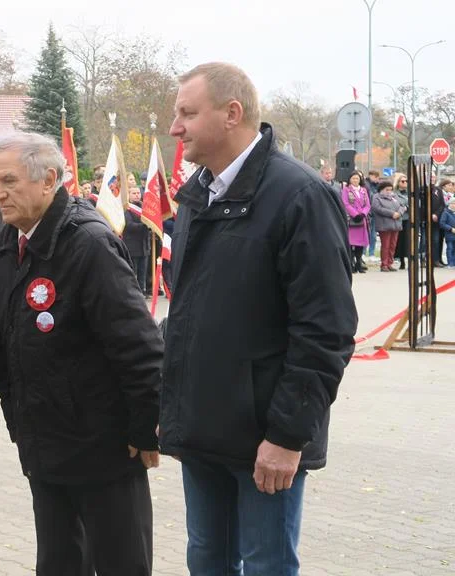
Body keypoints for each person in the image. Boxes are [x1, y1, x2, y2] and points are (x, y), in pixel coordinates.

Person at [163, 62, 357, 576]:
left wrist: (288, 436)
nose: (174, 127)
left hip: (265, 441)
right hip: (203, 430)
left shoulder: (299, 196)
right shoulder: (197, 194)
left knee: (266, 564)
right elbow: (186, 314)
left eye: (186, 113)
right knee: (206, 558)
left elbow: (325, 331)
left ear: (232, 114)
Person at [0, 132, 162, 576]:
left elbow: (138, 345)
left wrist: (144, 429)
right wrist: (18, 419)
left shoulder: (88, 244)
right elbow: (5, 338)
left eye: (9, 181)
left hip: (103, 444)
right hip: (45, 440)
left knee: (121, 563)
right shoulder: (10, 241)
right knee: (59, 563)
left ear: (49, 180)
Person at [371, 180, 404, 272]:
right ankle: (384, 264)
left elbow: (402, 205)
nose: (389, 191)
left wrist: (399, 213)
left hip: (396, 223)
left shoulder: (395, 196)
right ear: (382, 189)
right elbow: (377, 208)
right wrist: (392, 213)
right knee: (385, 245)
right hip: (384, 224)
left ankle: (390, 263)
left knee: (393, 245)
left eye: (390, 189)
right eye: (387, 189)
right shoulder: (377, 197)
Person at [341, 172, 371, 273]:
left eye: (357, 179)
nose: (355, 180)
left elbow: (368, 205)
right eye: (353, 178)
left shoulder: (363, 190)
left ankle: (359, 263)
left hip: (362, 219)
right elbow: (345, 203)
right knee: (350, 243)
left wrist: (363, 214)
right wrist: (355, 214)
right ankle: (351, 264)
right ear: (350, 179)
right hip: (351, 219)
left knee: (360, 244)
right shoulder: (346, 190)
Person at [122, 187, 149, 291]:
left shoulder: (144, 207)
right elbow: (129, 225)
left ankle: (142, 291)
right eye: (134, 193)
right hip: (132, 247)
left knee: (143, 273)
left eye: (138, 193)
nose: (137, 195)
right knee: (133, 273)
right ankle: (133, 293)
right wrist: (145, 225)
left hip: (144, 246)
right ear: (129, 195)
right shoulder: (127, 209)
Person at [394, 172, 411, 270]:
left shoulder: (410, 192)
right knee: (400, 240)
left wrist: (407, 206)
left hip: (408, 218)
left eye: (407, 181)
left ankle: (408, 260)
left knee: (408, 240)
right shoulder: (395, 193)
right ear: (398, 182)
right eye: (403, 181)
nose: (405, 183)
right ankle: (401, 261)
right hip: (399, 218)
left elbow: (416, 202)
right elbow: (396, 204)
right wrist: (404, 207)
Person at [365, 170, 380, 258]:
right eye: (377, 177)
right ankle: (364, 253)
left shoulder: (377, 186)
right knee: (367, 233)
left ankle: (371, 253)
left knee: (373, 235)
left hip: (374, 213)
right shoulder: (366, 185)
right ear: (372, 176)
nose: (378, 179)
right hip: (368, 212)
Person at [441, 200, 455, 268]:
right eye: (453, 203)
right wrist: (450, 229)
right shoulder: (445, 213)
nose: (454, 205)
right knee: (450, 248)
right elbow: (442, 223)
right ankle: (450, 263)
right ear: (449, 204)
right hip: (449, 234)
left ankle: (453, 263)